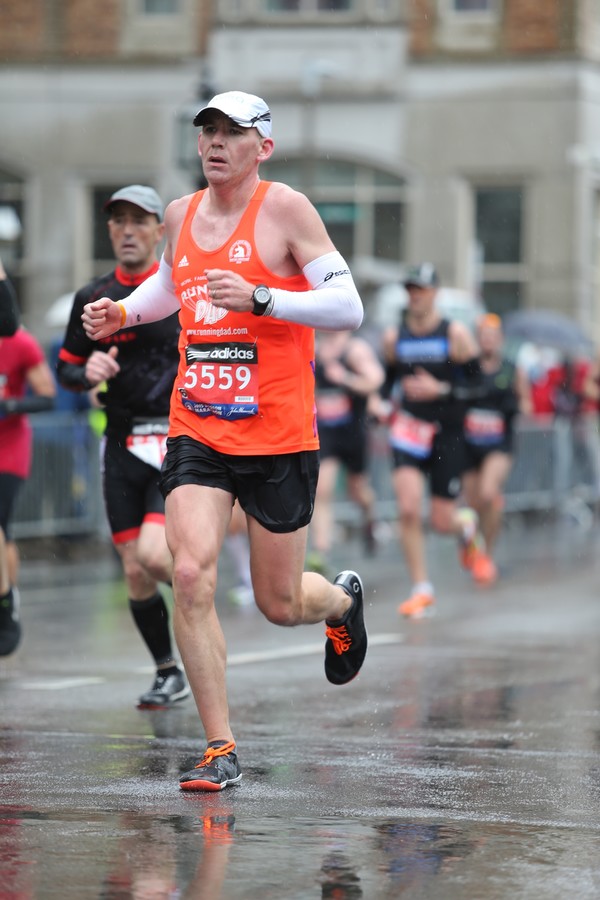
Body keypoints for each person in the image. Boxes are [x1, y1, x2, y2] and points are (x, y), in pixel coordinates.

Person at [81, 90, 368, 791]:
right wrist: (122, 310)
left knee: (279, 605)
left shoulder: (287, 209)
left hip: (276, 432)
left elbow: (348, 307)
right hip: (198, 426)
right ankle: (220, 746)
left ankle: (339, 602)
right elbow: (168, 288)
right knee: (187, 572)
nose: (214, 143)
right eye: (207, 130)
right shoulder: (179, 214)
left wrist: (266, 298)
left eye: (231, 133)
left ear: (261, 147)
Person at [57, 185, 190, 709]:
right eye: (119, 221)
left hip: (176, 440)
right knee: (134, 568)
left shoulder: (176, 293)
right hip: (120, 442)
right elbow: (65, 367)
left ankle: (196, 603)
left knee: (158, 557)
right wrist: (83, 369)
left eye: (140, 220)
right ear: (109, 230)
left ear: (161, 230)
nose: (128, 230)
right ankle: (168, 671)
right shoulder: (92, 298)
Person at [376, 263, 485, 619]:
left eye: (421, 290)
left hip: (446, 433)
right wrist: (379, 401)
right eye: (410, 290)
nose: (415, 296)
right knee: (408, 509)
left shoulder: (455, 334)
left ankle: (465, 525)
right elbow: (386, 382)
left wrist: (442, 389)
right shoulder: (395, 337)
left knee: (440, 521)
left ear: (435, 292)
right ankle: (422, 588)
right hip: (409, 431)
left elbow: (478, 388)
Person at [0, 266, 56, 656]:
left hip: (10, 449)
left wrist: (11, 405)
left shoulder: (20, 342)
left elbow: (47, 395)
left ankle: (7, 603)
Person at [460, 313, 532, 585]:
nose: (488, 341)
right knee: (473, 504)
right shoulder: (469, 368)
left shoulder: (513, 369)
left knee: (489, 494)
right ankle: (472, 545)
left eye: (493, 336)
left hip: (499, 443)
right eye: (483, 336)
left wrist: (520, 406)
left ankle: (486, 556)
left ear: (500, 339)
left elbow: (527, 403)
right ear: (479, 339)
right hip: (469, 443)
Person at [308, 329, 385, 574]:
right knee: (323, 489)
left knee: (358, 490)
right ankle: (321, 550)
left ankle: (370, 519)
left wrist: (345, 378)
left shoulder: (354, 349)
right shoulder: (316, 348)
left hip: (353, 431)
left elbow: (376, 380)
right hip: (326, 432)